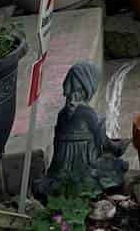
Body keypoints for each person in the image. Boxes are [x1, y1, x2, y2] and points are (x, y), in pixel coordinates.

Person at [35, 60, 128, 197]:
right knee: (117, 166)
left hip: (59, 171)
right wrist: (118, 146)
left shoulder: (62, 114)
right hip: (84, 168)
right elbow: (102, 142)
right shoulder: (89, 114)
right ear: (88, 88)